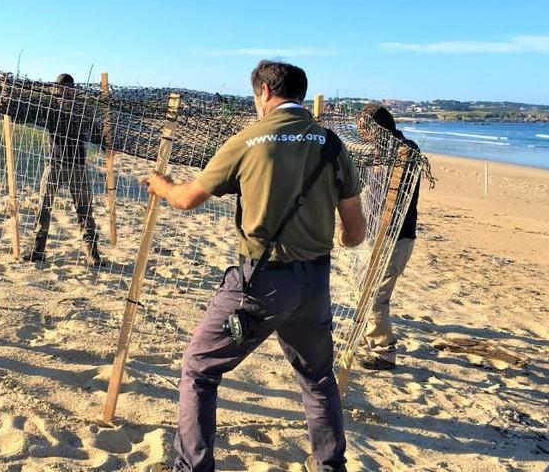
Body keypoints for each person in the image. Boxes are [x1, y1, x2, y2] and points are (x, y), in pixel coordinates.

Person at [143, 60, 366, 472]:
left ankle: (191, 466)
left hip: (260, 281)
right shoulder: (333, 146)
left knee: (199, 368)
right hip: (315, 282)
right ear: (301, 94)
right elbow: (355, 230)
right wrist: (337, 237)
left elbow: (187, 199)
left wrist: (161, 185)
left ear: (264, 92)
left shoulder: (248, 141)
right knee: (317, 378)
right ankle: (331, 465)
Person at [357, 103, 421, 371]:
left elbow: (393, 195)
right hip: (375, 236)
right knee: (365, 289)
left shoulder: (406, 151)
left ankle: (384, 353)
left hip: (395, 238)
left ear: (378, 128)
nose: (362, 135)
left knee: (376, 296)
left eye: (365, 130)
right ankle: (366, 338)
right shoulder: (380, 153)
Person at [26, 73, 102, 267]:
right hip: (54, 165)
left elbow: (96, 133)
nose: (64, 93)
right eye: (60, 89)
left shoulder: (83, 111)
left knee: (85, 211)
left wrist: (108, 146)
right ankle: (38, 250)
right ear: (56, 90)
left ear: (74, 91)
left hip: (78, 166)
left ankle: (92, 253)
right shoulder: (49, 109)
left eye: (68, 89)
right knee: (44, 207)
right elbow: (27, 111)